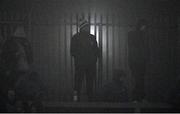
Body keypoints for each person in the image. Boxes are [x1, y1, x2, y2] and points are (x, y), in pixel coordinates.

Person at [70, 17, 99, 101]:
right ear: (83, 27)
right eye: (87, 26)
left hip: (82, 63)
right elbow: (96, 50)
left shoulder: (76, 37)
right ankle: (89, 99)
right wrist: (94, 57)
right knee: (87, 82)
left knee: (79, 82)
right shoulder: (91, 37)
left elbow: (72, 51)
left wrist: (80, 57)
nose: (88, 28)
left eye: (88, 26)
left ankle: (76, 99)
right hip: (88, 64)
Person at [128, 19, 150, 102]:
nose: (145, 28)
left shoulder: (142, 35)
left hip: (139, 60)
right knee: (138, 79)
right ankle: (138, 97)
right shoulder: (134, 35)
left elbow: (146, 48)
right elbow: (134, 46)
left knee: (140, 79)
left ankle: (139, 97)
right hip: (136, 61)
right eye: (144, 26)